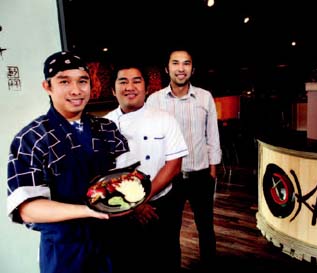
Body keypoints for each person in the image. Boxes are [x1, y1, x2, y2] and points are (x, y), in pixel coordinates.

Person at [6, 51, 129, 273]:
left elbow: (122, 178)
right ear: (47, 86)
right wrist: (88, 210)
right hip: (65, 251)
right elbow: (27, 209)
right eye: (64, 81)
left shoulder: (106, 129)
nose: (76, 90)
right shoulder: (32, 138)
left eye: (83, 81)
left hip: (111, 242)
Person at [103, 62, 188, 272]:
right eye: (123, 82)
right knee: (128, 260)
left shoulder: (164, 119)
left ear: (147, 88)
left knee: (165, 258)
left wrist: (142, 199)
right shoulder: (104, 126)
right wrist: (132, 205)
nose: (129, 87)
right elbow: (103, 174)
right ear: (113, 90)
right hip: (121, 208)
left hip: (161, 203)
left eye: (136, 81)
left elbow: (174, 165)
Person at [146, 47, 222, 270]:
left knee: (206, 228)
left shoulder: (204, 97)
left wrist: (213, 169)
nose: (181, 68)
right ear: (167, 68)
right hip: (170, 179)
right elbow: (151, 142)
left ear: (193, 68)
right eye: (176, 63)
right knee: (170, 232)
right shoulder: (154, 101)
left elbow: (212, 135)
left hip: (200, 175)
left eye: (186, 63)